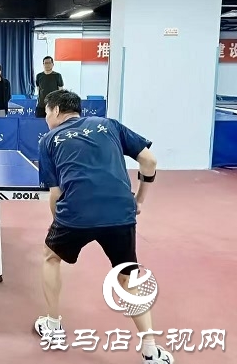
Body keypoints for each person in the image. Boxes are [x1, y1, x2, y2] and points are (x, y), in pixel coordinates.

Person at [34, 90, 173, 364]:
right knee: (128, 278)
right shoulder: (109, 125)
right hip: (121, 212)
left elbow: (56, 193)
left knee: (51, 257)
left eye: (47, 113)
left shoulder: (48, 140)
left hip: (75, 214)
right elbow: (150, 161)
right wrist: (138, 200)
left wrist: (58, 224)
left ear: (57, 110)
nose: (46, 119)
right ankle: (150, 350)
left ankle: (53, 325)